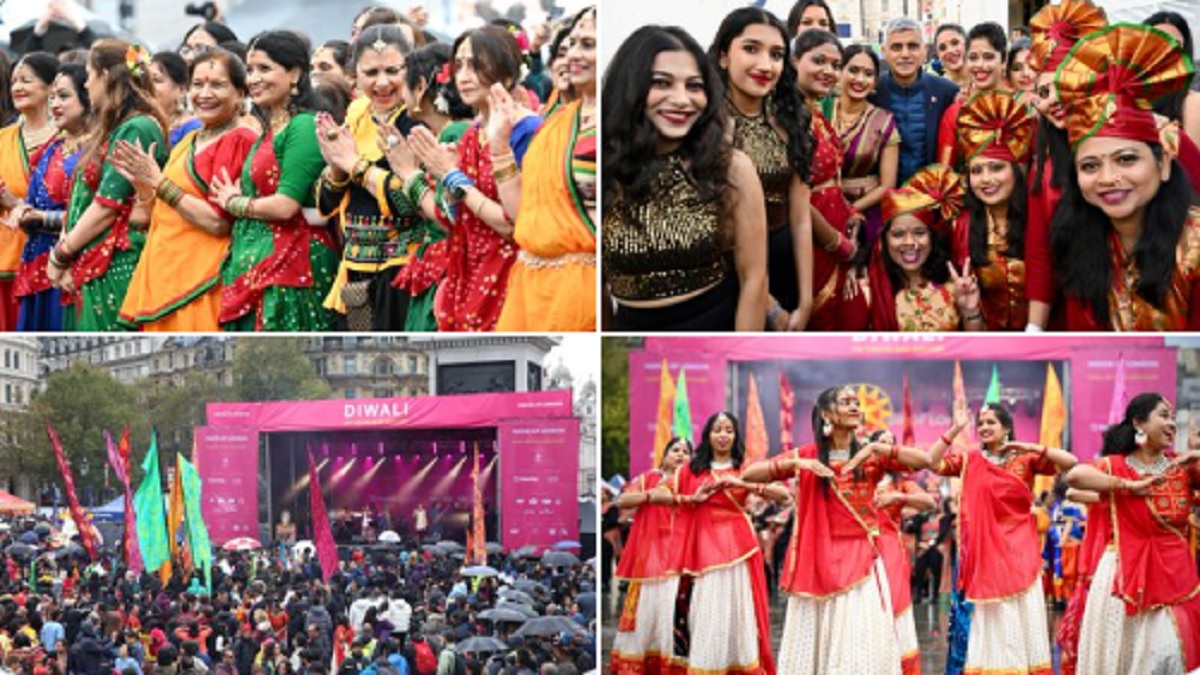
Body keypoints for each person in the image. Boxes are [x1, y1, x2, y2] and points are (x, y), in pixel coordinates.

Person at [743, 387, 930, 673]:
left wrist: (880, 447)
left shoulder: (870, 456)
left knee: (860, 639)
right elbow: (749, 475)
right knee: (820, 639)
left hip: (861, 561)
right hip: (818, 561)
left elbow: (923, 462)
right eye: (846, 402)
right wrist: (796, 463)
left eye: (857, 402)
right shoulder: (809, 454)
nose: (855, 406)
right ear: (828, 414)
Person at [601, 25, 767, 331]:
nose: (682, 99)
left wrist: (739, 360)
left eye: (694, 86)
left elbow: (754, 279)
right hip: (630, 344)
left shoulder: (731, 167)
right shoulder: (604, 170)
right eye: (662, 83)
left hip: (717, 331)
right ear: (631, 88)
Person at [1050, 23, 1198, 330]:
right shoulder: (1077, 238)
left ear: (1164, 165)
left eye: (1127, 159)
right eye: (1090, 166)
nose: (1108, 178)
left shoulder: (1194, 248)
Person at [406, 26, 541, 332]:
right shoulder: (471, 135)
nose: (464, 76)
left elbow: (514, 225)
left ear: (507, 72)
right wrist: (449, 188)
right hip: (469, 273)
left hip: (511, 274)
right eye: (460, 65)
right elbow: (455, 222)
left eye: (476, 65)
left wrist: (454, 178)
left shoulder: (529, 132)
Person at [113, 47, 257, 331]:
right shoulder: (188, 140)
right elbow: (151, 215)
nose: (205, 94)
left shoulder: (240, 140)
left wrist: (159, 183)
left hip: (202, 283)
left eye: (217, 85)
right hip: (164, 276)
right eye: (198, 84)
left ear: (240, 93)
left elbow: (217, 223)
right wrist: (143, 186)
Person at [930, 399, 1077, 675]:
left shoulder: (1026, 459)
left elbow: (1070, 462)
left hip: (1019, 547)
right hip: (985, 550)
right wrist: (954, 429)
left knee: (1018, 610)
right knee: (992, 613)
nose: (984, 427)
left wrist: (1033, 447)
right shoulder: (969, 460)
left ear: (1007, 427)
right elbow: (932, 462)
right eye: (981, 423)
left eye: (991, 422)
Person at [212, 30, 339, 331]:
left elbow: (285, 206)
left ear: (295, 73)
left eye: (264, 69)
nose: (253, 78)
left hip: (292, 265)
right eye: (250, 69)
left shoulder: (303, 126)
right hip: (261, 263)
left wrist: (235, 203)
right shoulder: (273, 129)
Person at [1064, 393, 1200, 672]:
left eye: (1173, 417)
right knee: (1125, 658)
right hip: (1123, 575)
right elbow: (1074, 477)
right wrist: (1128, 486)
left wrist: (1198, 454)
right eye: (1164, 415)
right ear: (1139, 423)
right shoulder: (1116, 464)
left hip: (1175, 577)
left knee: (1170, 653)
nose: (1172, 423)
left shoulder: (1182, 467)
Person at [46, 41, 168, 331]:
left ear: (106, 76)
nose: (86, 84)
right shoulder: (115, 127)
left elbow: (106, 207)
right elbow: (79, 199)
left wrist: (61, 253)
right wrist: (67, 252)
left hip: (116, 261)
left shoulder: (137, 127)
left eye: (89, 75)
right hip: (91, 259)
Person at [707, 6, 814, 330]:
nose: (766, 65)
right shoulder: (704, 128)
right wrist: (770, 306)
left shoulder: (791, 121)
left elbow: (800, 217)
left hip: (783, 263)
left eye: (777, 54)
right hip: (726, 273)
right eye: (751, 49)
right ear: (724, 55)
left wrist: (806, 301)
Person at [495, 6, 598, 331]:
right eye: (572, 45)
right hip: (530, 286)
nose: (574, 56)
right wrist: (498, 146)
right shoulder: (558, 123)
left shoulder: (618, 126)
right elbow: (524, 215)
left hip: (580, 291)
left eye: (589, 44)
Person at [314, 25, 421, 331]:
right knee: (359, 341)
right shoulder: (358, 112)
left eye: (392, 70)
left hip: (402, 269)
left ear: (409, 70)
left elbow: (411, 202)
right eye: (371, 72)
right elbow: (326, 201)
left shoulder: (415, 120)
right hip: (353, 270)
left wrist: (354, 165)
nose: (383, 83)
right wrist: (336, 166)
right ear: (354, 76)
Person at [675, 412, 785, 674]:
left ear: (735, 435)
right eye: (717, 430)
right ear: (707, 435)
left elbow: (784, 496)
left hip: (739, 548)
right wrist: (694, 499)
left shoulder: (745, 467)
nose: (723, 435)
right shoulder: (691, 470)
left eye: (728, 430)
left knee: (739, 610)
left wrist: (742, 483)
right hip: (704, 548)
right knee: (706, 608)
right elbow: (672, 506)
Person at [1022, 0, 1107, 331]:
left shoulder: (1154, 138)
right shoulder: (1044, 163)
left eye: (1065, 85)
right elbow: (1041, 251)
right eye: (1044, 91)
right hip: (1079, 305)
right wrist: (1034, 330)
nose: (1054, 99)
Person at [384, 43, 473, 332]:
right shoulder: (444, 133)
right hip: (439, 262)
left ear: (420, 86)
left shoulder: (455, 133)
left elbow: (448, 216)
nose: (400, 93)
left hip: (451, 266)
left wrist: (409, 174)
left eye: (405, 81)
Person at [792, 29, 865, 330]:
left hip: (837, 225)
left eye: (835, 65)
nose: (829, 71)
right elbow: (793, 198)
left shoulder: (815, 113)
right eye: (818, 61)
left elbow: (832, 179)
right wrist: (837, 244)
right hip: (813, 238)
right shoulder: (788, 118)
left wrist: (851, 216)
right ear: (794, 61)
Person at [951, 91, 1035, 330]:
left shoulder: (1039, 220)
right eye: (976, 171)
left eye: (996, 168)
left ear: (1016, 171)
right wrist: (971, 312)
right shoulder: (962, 227)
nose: (986, 179)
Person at [609, 437, 691, 674]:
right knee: (646, 611)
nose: (680, 455)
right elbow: (622, 500)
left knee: (673, 612)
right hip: (650, 558)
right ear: (665, 454)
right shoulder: (648, 479)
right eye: (675, 450)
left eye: (685, 452)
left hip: (680, 557)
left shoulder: (693, 481)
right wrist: (652, 495)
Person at [867, 164, 983, 331]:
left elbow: (976, 351)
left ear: (932, 237)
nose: (910, 242)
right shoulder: (870, 290)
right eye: (898, 234)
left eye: (919, 232)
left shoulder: (954, 287)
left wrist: (970, 310)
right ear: (884, 240)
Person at [12, 59, 79, 332]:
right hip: (33, 261)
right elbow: (32, 203)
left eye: (63, 96)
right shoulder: (53, 150)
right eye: (54, 98)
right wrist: (19, 209)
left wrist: (39, 216)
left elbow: (93, 214)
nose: (56, 104)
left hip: (68, 264)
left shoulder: (95, 152)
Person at [870, 429, 937, 675]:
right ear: (870, 447)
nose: (886, 449)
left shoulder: (901, 482)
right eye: (881, 443)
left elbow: (930, 503)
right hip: (859, 549)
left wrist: (898, 497)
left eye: (891, 444)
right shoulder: (859, 477)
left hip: (889, 549)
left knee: (893, 605)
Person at [0, 52, 58, 332]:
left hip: (51, 259)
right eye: (13, 82)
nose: (17, 88)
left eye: (26, 81)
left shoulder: (66, 139)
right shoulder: (3, 139)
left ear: (50, 88)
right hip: (4, 260)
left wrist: (13, 202)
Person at [871, 17, 958, 185]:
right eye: (896, 47)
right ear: (884, 51)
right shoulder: (872, 91)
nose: (905, 54)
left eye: (913, 46)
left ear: (925, 51)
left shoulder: (946, 92)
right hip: (882, 197)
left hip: (932, 197)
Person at [836, 44, 899, 252]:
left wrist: (851, 210)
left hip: (868, 211)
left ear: (874, 83)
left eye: (868, 74)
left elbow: (887, 185)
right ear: (840, 71)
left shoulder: (884, 121)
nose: (860, 79)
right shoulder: (819, 112)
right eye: (853, 70)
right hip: (819, 210)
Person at [936, 22, 1010, 168]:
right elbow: (945, 173)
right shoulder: (955, 113)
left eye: (988, 57)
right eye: (973, 58)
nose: (980, 65)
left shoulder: (1023, 104)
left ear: (1004, 61)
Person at [151, 51, 202, 147]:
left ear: (181, 89)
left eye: (157, 80)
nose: (148, 86)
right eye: (146, 79)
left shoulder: (193, 128)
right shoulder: (141, 122)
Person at [934, 24, 969, 89]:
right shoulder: (938, 90)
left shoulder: (987, 80)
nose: (950, 50)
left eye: (955, 43)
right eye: (942, 48)